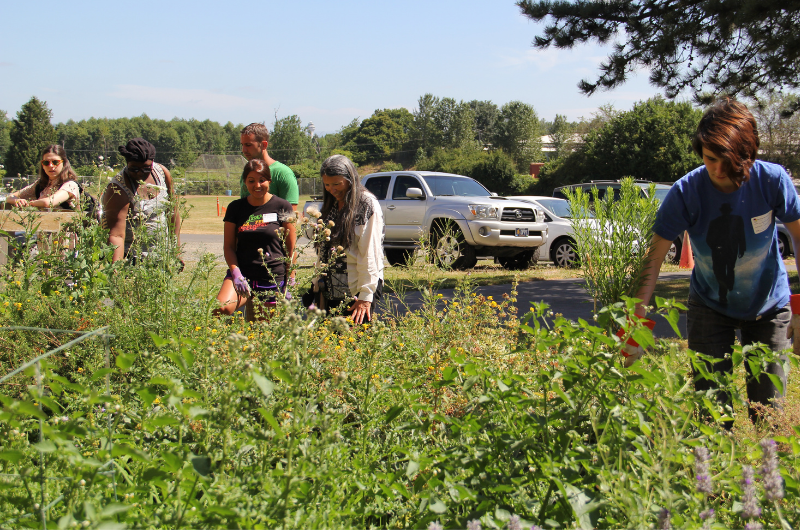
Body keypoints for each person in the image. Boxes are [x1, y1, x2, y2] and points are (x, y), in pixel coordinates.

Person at [633, 98, 800, 425]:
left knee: (769, 415)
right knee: (711, 417)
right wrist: (634, 326)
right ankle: (710, 472)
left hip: (769, 305)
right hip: (709, 306)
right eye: (710, 160)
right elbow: (652, 260)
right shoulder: (685, 192)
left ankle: (771, 476)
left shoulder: (772, 181)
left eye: (729, 163)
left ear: (748, 155)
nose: (719, 172)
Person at [215, 158, 296, 319]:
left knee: (261, 333)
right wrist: (236, 273)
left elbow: (291, 248)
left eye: (262, 180)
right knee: (221, 308)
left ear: (269, 181)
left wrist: (291, 278)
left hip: (271, 276)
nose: (257, 185)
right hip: (243, 274)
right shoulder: (235, 208)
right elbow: (229, 247)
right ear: (245, 182)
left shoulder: (282, 206)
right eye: (251, 181)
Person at [311, 154, 384, 325]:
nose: (332, 189)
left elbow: (370, 252)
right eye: (327, 184)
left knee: (354, 344)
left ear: (350, 179)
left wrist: (365, 296)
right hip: (329, 289)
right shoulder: (331, 203)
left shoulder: (366, 203)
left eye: (337, 184)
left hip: (357, 289)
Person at [101, 138, 182, 265]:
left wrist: (176, 251)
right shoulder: (118, 188)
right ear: (127, 164)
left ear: (152, 163)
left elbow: (173, 212)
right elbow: (116, 235)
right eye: (134, 169)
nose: (140, 173)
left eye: (146, 168)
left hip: (162, 256)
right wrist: (116, 270)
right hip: (133, 258)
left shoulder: (161, 173)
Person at [239, 123, 299, 212]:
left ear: (264, 145)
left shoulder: (283, 173)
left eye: (248, 145)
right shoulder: (247, 172)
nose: (243, 150)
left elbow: (290, 216)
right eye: (242, 145)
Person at [6, 145, 80, 210]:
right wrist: (18, 201)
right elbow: (10, 197)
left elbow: (48, 202)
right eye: (46, 162)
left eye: (55, 162)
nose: (50, 166)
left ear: (64, 164)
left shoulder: (70, 185)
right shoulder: (41, 184)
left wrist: (28, 203)